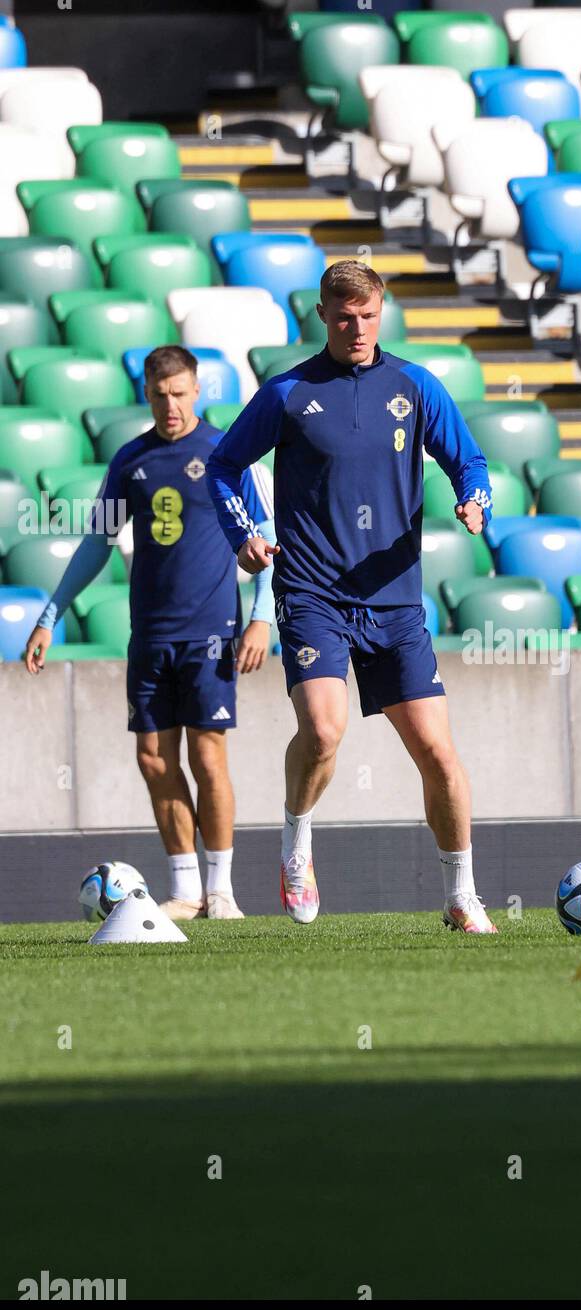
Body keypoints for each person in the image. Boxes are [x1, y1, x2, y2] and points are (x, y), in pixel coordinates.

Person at [206, 259, 498, 934]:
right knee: (325, 729)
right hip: (313, 595)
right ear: (323, 316)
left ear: (382, 311)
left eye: (368, 315)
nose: (358, 328)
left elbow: (469, 461)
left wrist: (474, 499)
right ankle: (297, 847)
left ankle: (462, 894)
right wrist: (243, 534)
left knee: (439, 754)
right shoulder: (288, 393)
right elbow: (225, 464)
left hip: (394, 602)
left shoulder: (415, 386)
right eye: (345, 317)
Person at [24, 346, 276, 920]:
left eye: (181, 392)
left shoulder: (225, 454)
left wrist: (263, 617)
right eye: (160, 394)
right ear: (147, 393)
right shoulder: (130, 460)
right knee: (153, 759)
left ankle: (222, 891)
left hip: (212, 630)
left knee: (208, 757)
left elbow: (266, 536)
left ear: (197, 390)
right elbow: (97, 544)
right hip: (150, 636)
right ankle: (185, 890)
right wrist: (49, 616)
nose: (171, 404)